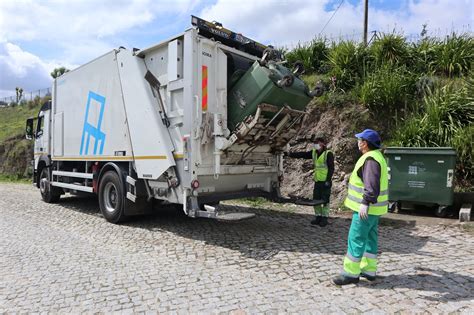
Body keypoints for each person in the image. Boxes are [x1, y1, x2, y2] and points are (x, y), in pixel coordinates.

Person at [332, 129, 388, 285]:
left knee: (356, 238)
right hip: (375, 210)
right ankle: (369, 270)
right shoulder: (378, 157)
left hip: (365, 209)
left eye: (359, 139)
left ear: (365, 143)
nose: (358, 142)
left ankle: (350, 273)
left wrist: (365, 202)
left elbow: (371, 185)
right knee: (370, 239)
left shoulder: (370, 159)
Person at [287, 134, 334, 227]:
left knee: (325, 201)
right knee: (316, 200)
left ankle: (324, 218)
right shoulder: (314, 153)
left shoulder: (328, 154)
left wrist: (328, 180)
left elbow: (331, 168)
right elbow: (303, 154)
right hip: (317, 180)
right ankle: (318, 217)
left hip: (325, 181)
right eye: (314, 143)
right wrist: (290, 154)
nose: (315, 145)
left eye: (317, 143)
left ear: (323, 144)